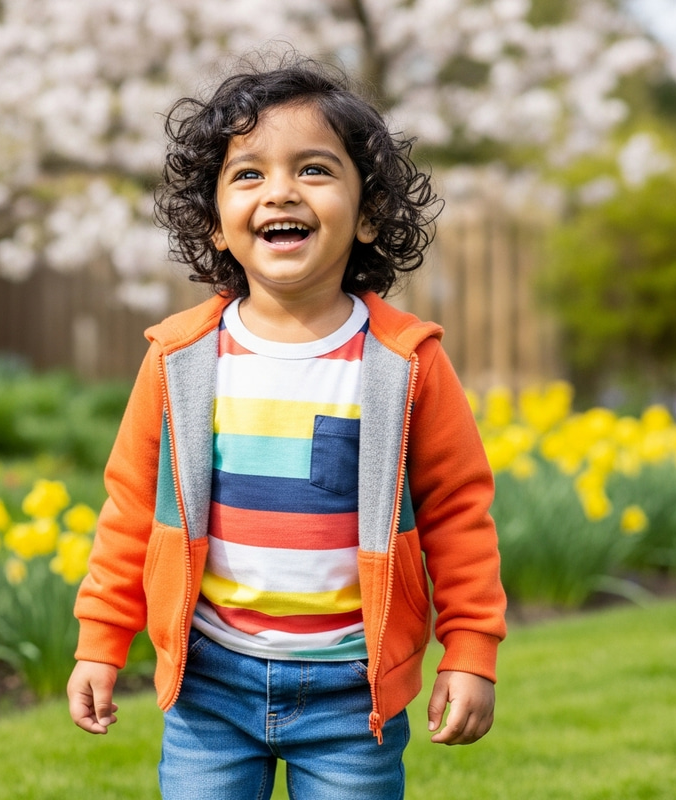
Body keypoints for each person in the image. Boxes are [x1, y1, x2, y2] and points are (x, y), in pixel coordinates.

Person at [67, 51, 507, 800]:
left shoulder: (405, 364)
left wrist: (469, 653)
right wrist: (101, 642)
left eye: (313, 170)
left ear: (368, 214)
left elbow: (459, 515)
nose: (280, 191)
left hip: (349, 691)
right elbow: (131, 511)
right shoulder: (179, 359)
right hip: (209, 684)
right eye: (249, 174)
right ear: (213, 224)